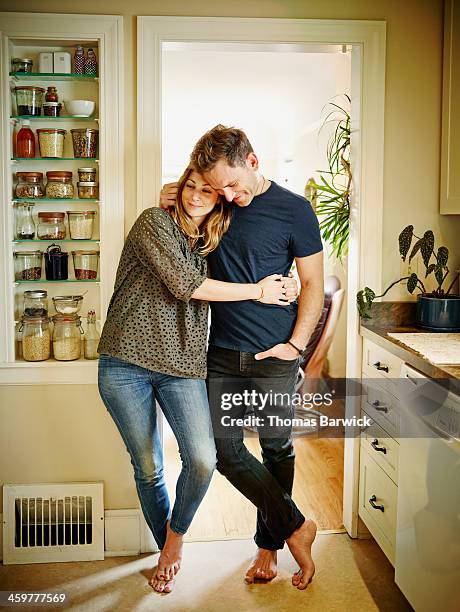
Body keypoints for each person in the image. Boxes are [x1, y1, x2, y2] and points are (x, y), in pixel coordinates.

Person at [97, 166, 297, 594]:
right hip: (124, 363)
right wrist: (259, 291)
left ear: (220, 199)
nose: (195, 195)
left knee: (204, 459)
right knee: (149, 465)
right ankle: (167, 550)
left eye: (208, 190)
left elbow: (253, 256)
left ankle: (175, 537)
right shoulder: (154, 221)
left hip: (184, 366)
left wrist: (285, 284)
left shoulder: (214, 241)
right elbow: (188, 285)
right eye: (190, 185)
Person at [160, 125, 324, 590]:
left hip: (276, 355)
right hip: (222, 354)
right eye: (217, 188)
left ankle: (268, 547)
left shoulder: (295, 210)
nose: (228, 195)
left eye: (232, 183)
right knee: (223, 453)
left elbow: (312, 284)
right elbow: (180, 230)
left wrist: (294, 347)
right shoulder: (213, 206)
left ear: (253, 161)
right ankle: (297, 527)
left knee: (276, 448)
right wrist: (171, 196)